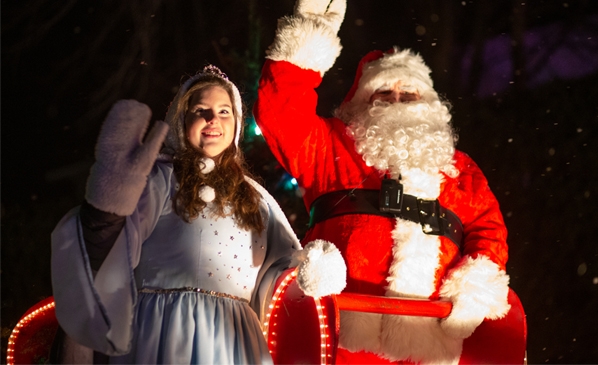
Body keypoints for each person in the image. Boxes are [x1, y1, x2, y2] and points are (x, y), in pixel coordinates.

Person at [253, 0, 511, 364]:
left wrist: (475, 283)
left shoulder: (459, 168)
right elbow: (278, 111)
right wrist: (310, 34)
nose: (397, 102)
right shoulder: (331, 146)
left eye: (409, 95)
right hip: (341, 333)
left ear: (429, 105)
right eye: (383, 94)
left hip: (429, 341)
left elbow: (488, 229)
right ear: (362, 102)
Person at [50, 65, 346, 364]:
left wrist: (308, 269)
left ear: (236, 122)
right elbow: (108, 244)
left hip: (233, 337)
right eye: (200, 109)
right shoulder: (158, 180)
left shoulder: (255, 197)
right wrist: (109, 202)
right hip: (161, 327)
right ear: (182, 120)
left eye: (224, 111)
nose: (212, 119)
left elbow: (279, 267)